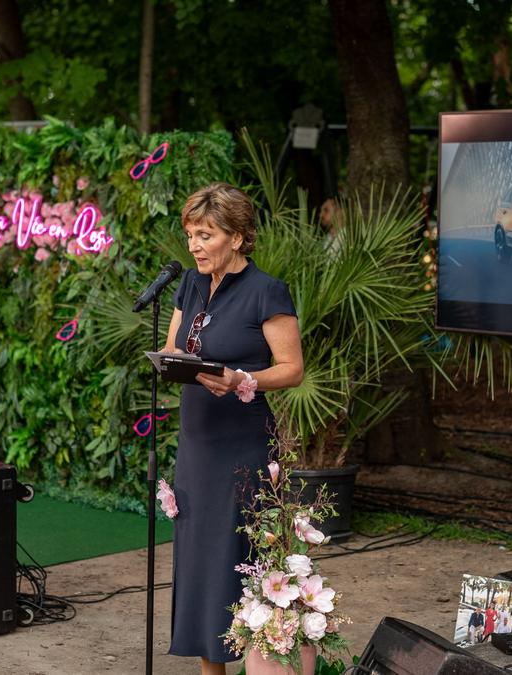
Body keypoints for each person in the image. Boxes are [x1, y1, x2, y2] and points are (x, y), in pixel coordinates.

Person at [164, 183, 304, 675]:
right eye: (190, 235)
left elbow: (292, 369)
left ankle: (261, 664)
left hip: (242, 447)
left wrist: (243, 378)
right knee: (199, 562)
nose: (194, 246)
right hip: (196, 445)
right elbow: (175, 348)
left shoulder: (267, 290)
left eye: (205, 235)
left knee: (236, 560)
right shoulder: (190, 284)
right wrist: (169, 361)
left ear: (238, 237)